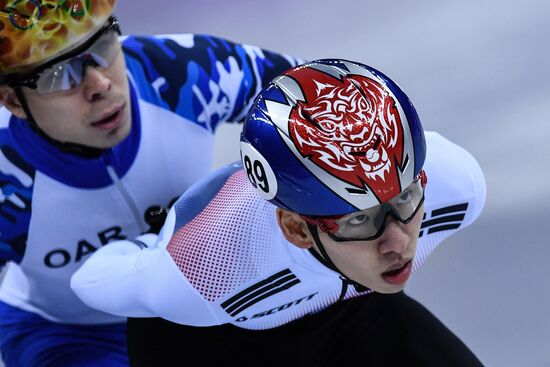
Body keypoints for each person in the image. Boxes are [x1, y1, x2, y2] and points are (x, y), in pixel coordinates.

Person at [72, 59, 486, 366]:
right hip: (215, 343)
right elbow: (89, 282)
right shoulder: (204, 275)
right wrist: (152, 242)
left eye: (404, 200)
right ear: (296, 229)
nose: (398, 243)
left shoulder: (457, 185)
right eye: (361, 219)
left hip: (350, 311)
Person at [0, 0, 302, 365]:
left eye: (103, 45)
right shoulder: (6, 178)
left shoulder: (175, 71)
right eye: (58, 73)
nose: (99, 84)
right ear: (13, 101)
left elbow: (324, 101)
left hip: (207, 295)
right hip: (70, 334)